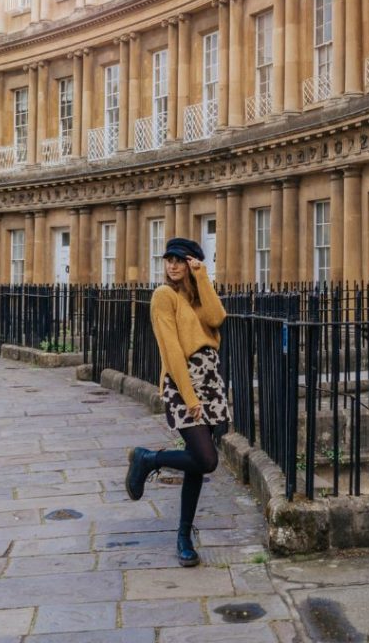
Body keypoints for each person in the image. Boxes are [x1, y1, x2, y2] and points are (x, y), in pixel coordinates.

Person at [125, 236, 229, 567]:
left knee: (197, 465)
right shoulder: (162, 296)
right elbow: (170, 350)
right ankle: (148, 459)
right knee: (206, 459)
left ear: (191, 263)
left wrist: (203, 277)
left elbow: (217, 318)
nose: (172, 264)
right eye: (168, 258)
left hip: (211, 382)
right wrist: (190, 397)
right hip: (186, 384)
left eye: (179, 259)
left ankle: (184, 536)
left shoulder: (197, 297)